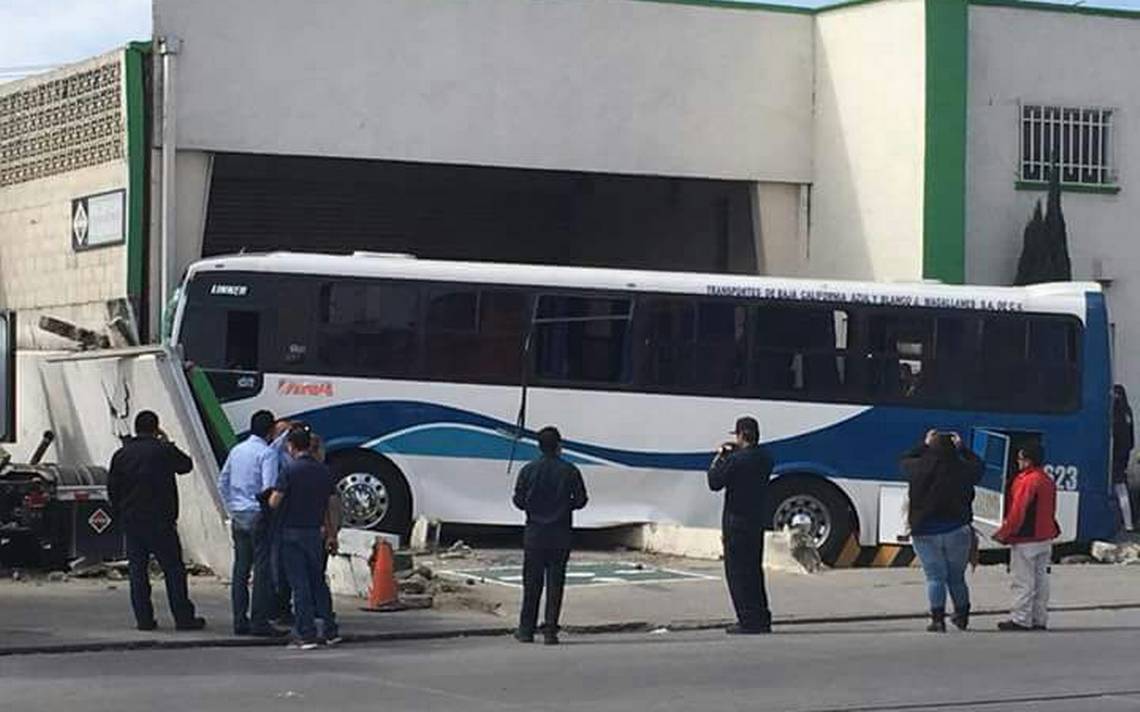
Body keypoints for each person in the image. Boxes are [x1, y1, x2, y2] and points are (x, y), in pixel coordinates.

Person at [107, 411, 205, 631]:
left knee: (137, 571)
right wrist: (167, 441)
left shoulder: (122, 455)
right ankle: (183, 617)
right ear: (156, 427)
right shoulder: (164, 451)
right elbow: (186, 466)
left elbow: (112, 488)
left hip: (132, 521)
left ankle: (144, 619)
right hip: (161, 520)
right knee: (173, 570)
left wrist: (120, 513)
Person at [512, 426, 589, 645]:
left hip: (534, 535)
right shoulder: (570, 470)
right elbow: (581, 500)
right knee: (555, 585)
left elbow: (518, 500)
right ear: (558, 445)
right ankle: (550, 631)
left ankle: (526, 630)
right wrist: (565, 506)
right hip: (560, 534)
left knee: (531, 585)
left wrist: (533, 508)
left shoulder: (528, 470)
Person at [900, 430, 983, 633]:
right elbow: (980, 467)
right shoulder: (962, 468)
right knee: (956, 577)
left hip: (925, 531)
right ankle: (962, 617)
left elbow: (904, 459)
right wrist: (963, 448)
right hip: (957, 529)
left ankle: (938, 620)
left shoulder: (918, 467)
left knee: (935, 577)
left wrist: (925, 444)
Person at [269, 426, 341, 649]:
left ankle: (306, 633)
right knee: (318, 582)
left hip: (291, 532)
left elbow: (274, 502)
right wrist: (331, 534)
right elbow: (329, 507)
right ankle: (329, 630)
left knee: (299, 585)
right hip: (315, 532)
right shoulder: (324, 471)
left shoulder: (290, 471)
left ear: (291, 446)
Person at [217, 410, 286, 637]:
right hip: (258, 514)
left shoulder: (237, 450)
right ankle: (259, 620)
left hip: (239, 515)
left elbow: (223, 481)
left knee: (240, 569)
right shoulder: (267, 454)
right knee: (262, 571)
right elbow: (268, 488)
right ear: (270, 430)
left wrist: (232, 506)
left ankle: (239, 619)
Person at [707, 416, 775, 635]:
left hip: (736, 522)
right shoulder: (765, 458)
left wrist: (720, 456)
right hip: (756, 522)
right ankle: (761, 617)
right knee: (754, 571)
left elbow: (714, 482)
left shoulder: (736, 461)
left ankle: (747, 620)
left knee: (737, 574)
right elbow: (752, 458)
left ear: (742, 435)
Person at [993, 442, 1060, 632]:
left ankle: (1021, 618)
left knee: (1023, 581)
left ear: (1028, 460)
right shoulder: (1047, 479)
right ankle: (1039, 618)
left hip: (1026, 539)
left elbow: (1018, 512)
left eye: (1020, 458)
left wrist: (1004, 533)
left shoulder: (1027, 481)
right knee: (1041, 580)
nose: (1018, 462)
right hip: (1045, 536)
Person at [1113, 385, 1135, 531]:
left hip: (1116, 455)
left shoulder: (1116, 413)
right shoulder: (1127, 411)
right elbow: (1131, 438)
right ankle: (1128, 522)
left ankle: (1126, 523)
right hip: (1124, 454)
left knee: (1119, 488)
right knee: (1121, 488)